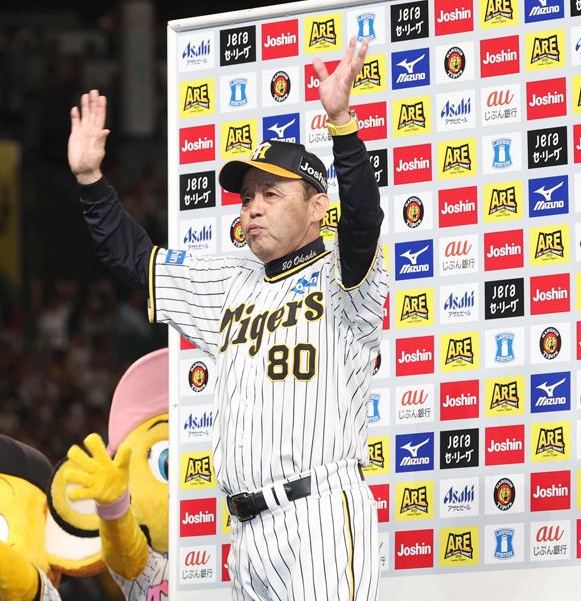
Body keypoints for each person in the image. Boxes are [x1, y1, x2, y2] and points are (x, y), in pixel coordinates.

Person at [68, 35, 388, 600]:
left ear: (317, 206)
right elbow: (134, 259)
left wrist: (342, 124)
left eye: (271, 193)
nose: (254, 206)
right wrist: (91, 182)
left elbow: (363, 219)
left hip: (318, 515)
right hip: (247, 533)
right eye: (246, 198)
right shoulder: (229, 280)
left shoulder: (345, 274)